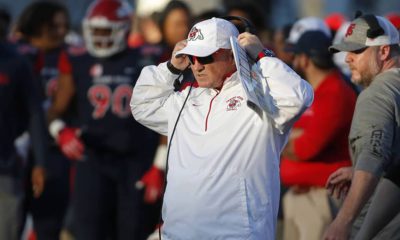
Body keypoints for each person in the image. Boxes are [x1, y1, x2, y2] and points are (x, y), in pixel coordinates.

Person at [131, 17, 314, 240]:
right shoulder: (185, 99)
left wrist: (262, 55)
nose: (196, 65)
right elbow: (142, 105)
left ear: (231, 53)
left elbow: (297, 97)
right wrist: (171, 68)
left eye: (205, 56)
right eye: (192, 57)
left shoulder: (259, 94)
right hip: (177, 234)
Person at [47, 0, 161, 239]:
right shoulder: (77, 59)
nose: (99, 37)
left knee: (132, 230)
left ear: (124, 29)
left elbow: (167, 116)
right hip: (93, 160)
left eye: (106, 31)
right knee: (90, 231)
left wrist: (159, 166)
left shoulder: (148, 58)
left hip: (135, 160)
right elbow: (54, 111)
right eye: (95, 30)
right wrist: (61, 131)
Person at [323, 14, 400, 240]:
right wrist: (356, 170)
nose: (347, 59)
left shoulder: (375, 94)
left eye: (357, 51)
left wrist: (342, 222)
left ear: (384, 51)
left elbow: (372, 156)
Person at [280, 29, 356, 240]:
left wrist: (279, 141)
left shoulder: (334, 92)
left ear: (304, 59)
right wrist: (293, 137)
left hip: (321, 198)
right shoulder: (315, 91)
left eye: (295, 55)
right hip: (302, 195)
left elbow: (306, 148)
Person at [14, 2, 72, 239]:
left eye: (63, 26)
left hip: (53, 147)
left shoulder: (70, 56)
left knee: (49, 222)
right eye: (53, 25)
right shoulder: (14, 54)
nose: (60, 31)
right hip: (16, 146)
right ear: (36, 24)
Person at [0, 12, 47, 239]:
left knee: (7, 231)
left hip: (5, 164)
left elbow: (34, 113)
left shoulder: (16, 62)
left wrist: (40, 162)